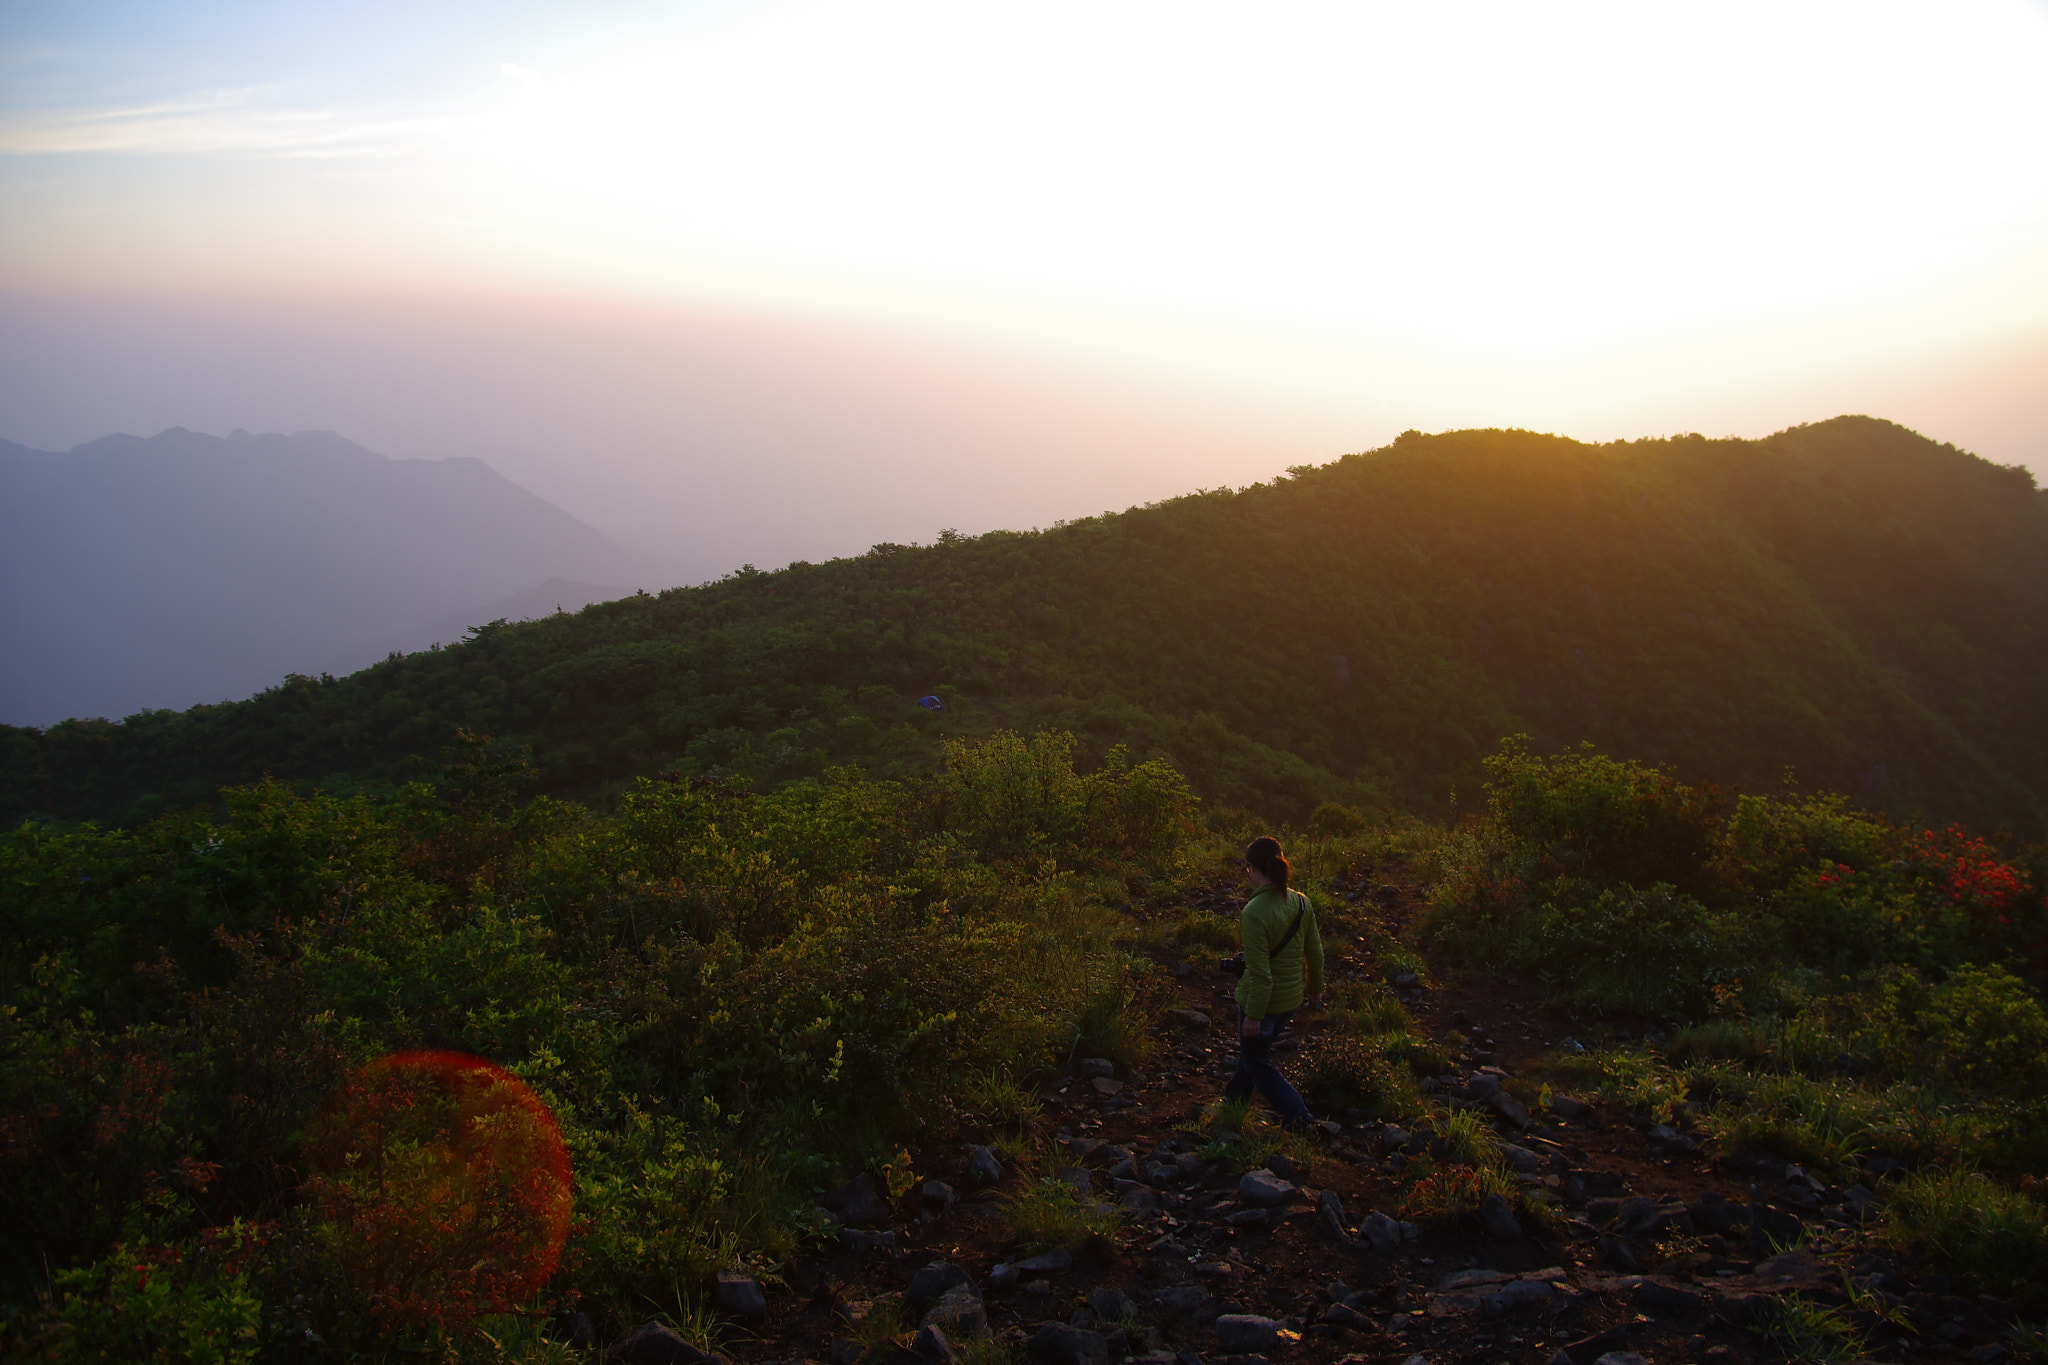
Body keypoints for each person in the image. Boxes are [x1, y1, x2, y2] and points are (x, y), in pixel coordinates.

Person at [1225, 835, 1324, 1129]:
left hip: (1263, 1004)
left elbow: (1260, 974)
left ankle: (1300, 1117)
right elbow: (1315, 954)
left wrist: (1254, 1015)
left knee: (1258, 1064)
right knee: (1253, 1055)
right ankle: (1232, 1106)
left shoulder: (1253, 913)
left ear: (1253, 868)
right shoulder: (1302, 903)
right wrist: (1316, 991)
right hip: (1290, 1001)